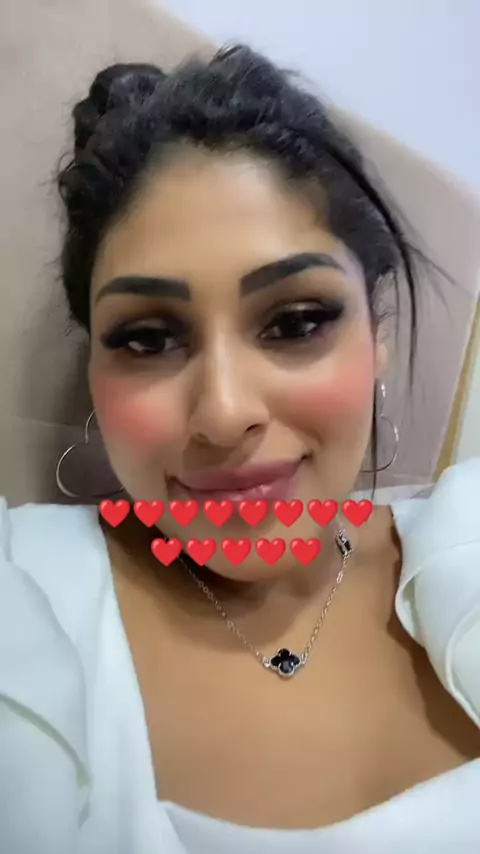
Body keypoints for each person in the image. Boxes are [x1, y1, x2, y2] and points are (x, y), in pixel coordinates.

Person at [0, 45, 479, 854]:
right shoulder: (24, 599)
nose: (223, 414)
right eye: (148, 338)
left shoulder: (468, 539)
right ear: (94, 373)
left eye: (296, 322)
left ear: (378, 337)